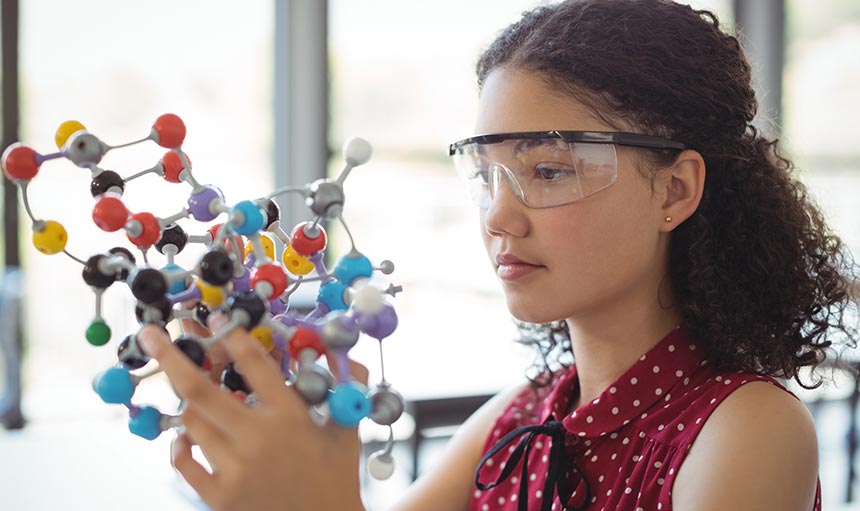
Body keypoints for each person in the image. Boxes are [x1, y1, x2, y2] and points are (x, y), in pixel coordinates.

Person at [137, 0, 858, 510]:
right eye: (486, 175)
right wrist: (281, 424)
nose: (499, 215)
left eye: (548, 169)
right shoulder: (519, 418)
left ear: (675, 189)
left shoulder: (749, 428)